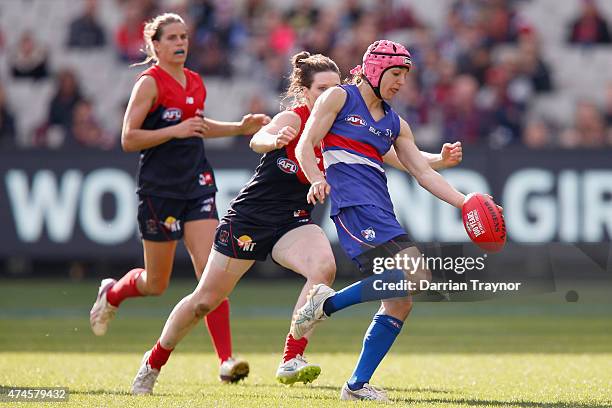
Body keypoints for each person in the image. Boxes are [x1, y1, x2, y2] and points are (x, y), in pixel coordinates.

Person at [128, 49, 463, 394]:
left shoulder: (344, 119)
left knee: (323, 269)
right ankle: (153, 362)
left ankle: (291, 357)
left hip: (294, 220)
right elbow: (259, 139)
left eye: (336, 87)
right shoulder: (295, 119)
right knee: (203, 301)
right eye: (321, 89)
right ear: (305, 92)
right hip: (251, 218)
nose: (330, 96)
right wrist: (274, 140)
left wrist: (439, 158)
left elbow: (397, 155)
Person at [290, 40, 486, 401]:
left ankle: (355, 385)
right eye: (395, 74)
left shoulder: (395, 123)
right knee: (416, 275)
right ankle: (323, 306)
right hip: (352, 206)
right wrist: (317, 177)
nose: (400, 83)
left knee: (401, 300)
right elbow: (306, 143)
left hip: (380, 208)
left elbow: (421, 172)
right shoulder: (338, 98)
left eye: (404, 76)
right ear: (375, 70)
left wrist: (465, 200)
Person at [88, 13, 270, 385]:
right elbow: (128, 138)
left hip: (197, 184)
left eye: (184, 36)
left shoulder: (195, 82)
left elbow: (199, 126)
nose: (180, 42)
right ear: (155, 45)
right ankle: (113, 291)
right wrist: (175, 130)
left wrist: (239, 127)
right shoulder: (149, 84)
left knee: (210, 275)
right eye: (171, 37)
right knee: (156, 283)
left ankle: (226, 361)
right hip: (160, 190)